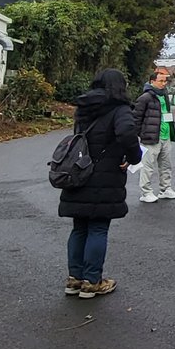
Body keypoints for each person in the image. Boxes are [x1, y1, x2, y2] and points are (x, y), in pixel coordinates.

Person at [60, 70, 143, 299]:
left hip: (79, 172)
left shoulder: (85, 106)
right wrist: (133, 157)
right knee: (98, 227)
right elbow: (127, 132)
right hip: (105, 176)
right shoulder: (119, 108)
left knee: (79, 228)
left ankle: (74, 279)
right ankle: (92, 281)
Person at [133, 66, 175, 203]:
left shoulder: (164, 95)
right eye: (161, 81)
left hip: (165, 135)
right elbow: (136, 118)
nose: (163, 83)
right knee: (148, 166)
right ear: (152, 81)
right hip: (150, 137)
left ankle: (165, 189)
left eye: (165, 81)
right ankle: (145, 192)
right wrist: (138, 135)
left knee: (166, 164)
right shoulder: (145, 97)